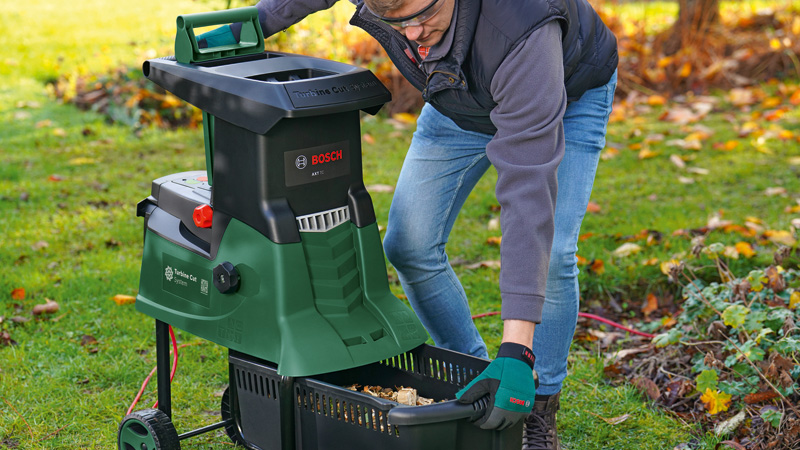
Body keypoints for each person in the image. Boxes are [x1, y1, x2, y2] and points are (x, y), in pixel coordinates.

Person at [201, 1, 617, 448]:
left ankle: (536, 404)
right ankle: (478, 379)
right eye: (397, 23)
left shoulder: (521, 29)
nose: (413, 34)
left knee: (551, 254)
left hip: (567, 92)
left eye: (422, 17)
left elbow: (527, 193)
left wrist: (517, 350)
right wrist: (252, 24)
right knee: (409, 244)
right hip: (458, 98)